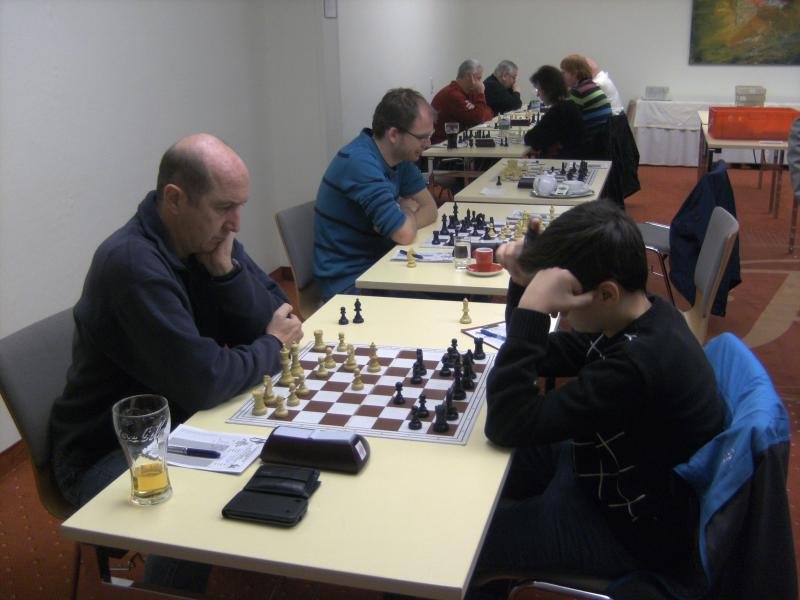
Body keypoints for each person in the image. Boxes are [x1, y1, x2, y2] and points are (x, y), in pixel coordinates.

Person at [473, 202, 727, 592]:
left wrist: (534, 307)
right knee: (478, 467)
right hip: (602, 472)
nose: (559, 310)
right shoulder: (643, 316)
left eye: (564, 296)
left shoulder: (635, 367)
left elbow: (507, 423)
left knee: (474, 545)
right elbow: (543, 354)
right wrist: (525, 287)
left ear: (606, 293)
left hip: (626, 531)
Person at [313, 88, 438, 301]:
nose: (428, 144)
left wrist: (403, 218)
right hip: (349, 281)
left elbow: (430, 209)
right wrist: (407, 211)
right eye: (422, 137)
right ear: (393, 134)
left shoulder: (400, 158)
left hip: (382, 264)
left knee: (461, 292)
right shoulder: (359, 162)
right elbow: (404, 235)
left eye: (429, 136)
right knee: (442, 303)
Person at [523, 66, 586, 159]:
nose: (537, 94)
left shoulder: (558, 111)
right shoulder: (569, 105)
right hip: (575, 156)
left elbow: (531, 139)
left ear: (548, 89)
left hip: (565, 160)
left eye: (539, 89)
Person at [431, 59, 494, 144]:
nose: (481, 83)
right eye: (479, 78)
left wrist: (477, 110)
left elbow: (489, 113)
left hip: (459, 141)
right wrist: (481, 93)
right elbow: (478, 119)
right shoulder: (452, 94)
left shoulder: (470, 91)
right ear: (469, 76)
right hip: (444, 144)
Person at [560, 54, 612, 135]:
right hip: (603, 138)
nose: (562, 76)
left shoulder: (578, 92)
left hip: (590, 139)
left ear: (574, 73)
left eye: (564, 72)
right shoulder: (592, 86)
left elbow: (565, 120)